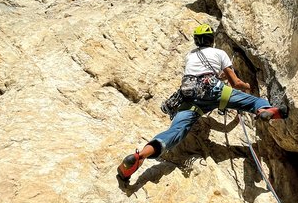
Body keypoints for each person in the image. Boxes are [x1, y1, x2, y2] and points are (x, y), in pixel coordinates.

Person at [117, 24, 287, 180]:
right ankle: (266, 110)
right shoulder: (220, 53)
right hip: (215, 92)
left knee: (175, 132)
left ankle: (141, 155)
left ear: (196, 40)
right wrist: (247, 85)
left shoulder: (190, 55)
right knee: (252, 102)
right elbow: (235, 83)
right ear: (212, 39)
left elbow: (199, 74)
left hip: (190, 98)